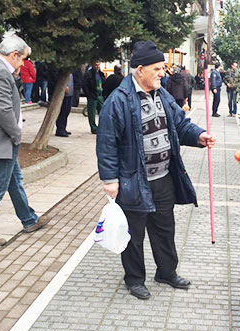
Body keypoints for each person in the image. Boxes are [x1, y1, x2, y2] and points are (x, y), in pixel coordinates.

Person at [96, 40, 216, 300]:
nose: (163, 73)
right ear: (140, 70)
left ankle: (166, 272)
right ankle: (135, 279)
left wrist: (199, 136)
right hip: (133, 181)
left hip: (163, 178)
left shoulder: (162, 95)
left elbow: (180, 125)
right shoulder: (118, 101)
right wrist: (109, 179)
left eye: (163, 68)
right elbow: (106, 144)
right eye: (158, 68)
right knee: (135, 234)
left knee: (164, 228)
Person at [0, 35, 48, 249]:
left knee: (14, 181)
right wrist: (16, 135)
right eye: (22, 59)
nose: (23, 64)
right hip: (1, 139)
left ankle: (29, 220)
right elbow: (3, 110)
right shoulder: (0, 72)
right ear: (14, 55)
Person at [83, 61, 105, 134]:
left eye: (98, 65)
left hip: (100, 95)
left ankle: (101, 127)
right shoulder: (88, 74)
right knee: (91, 113)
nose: (97, 66)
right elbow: (85, 85)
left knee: (102, 112)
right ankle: (93, 128)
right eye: (96, 65)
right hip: (92, 96)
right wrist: (89, 95)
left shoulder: (100, 74)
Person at [55, 73, 74, 137]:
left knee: (67, 111)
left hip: (69, 93)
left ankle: (63, 128)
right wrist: (64, 86)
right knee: (62, 112)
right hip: (64, 94)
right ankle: (60, 129)